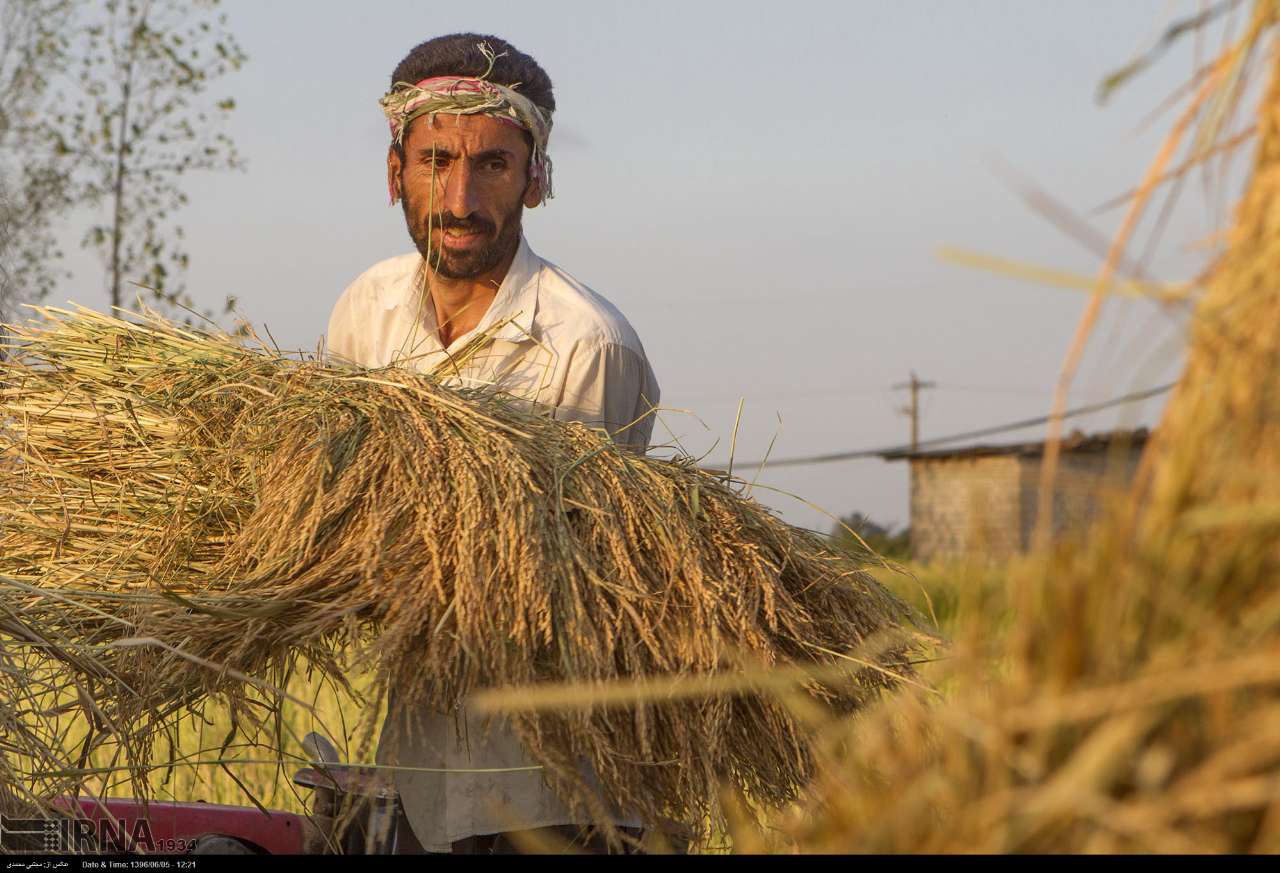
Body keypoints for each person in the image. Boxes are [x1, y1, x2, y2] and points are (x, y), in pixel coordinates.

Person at [324, 33, 661, 854]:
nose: (460, 199)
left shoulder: (584, 344)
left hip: (555, 793)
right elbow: (332, 507)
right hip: (420, 777)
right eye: (436, 161)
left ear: (536, 180)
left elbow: (558, 581)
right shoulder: (365, 313)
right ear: (394, 168)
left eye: (493, 167)